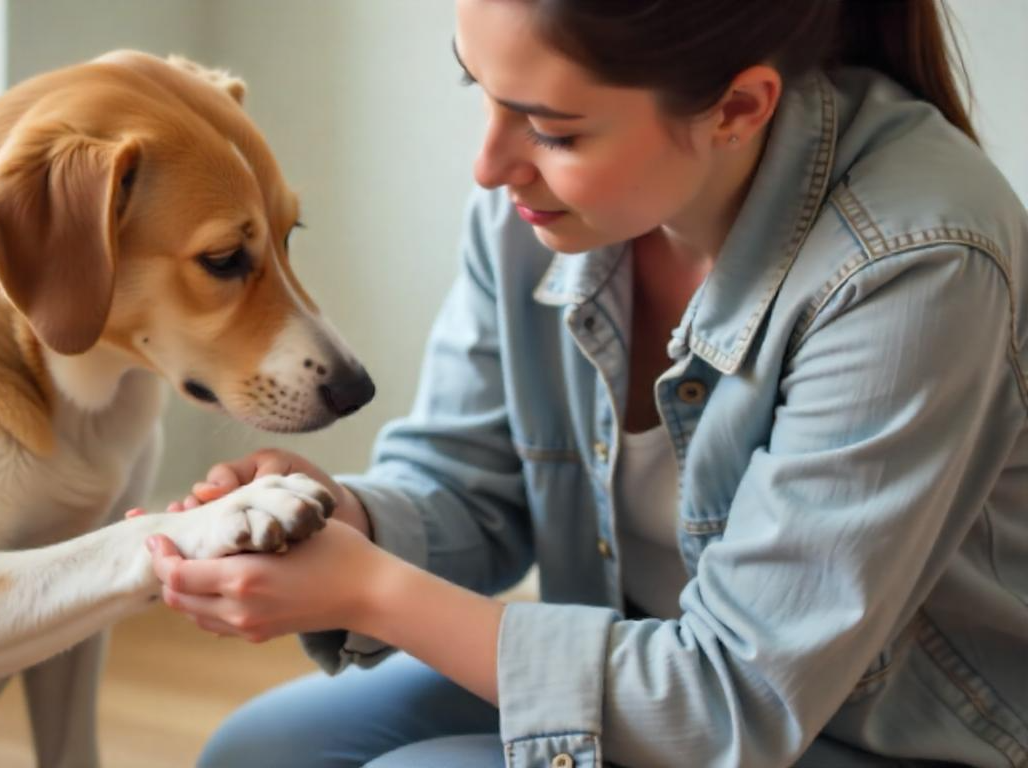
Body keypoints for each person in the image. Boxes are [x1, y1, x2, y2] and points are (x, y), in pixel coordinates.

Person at [141, 0, 1028, 765]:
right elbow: (469, 485)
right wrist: (339, 519)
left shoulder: (915, 263)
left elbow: (735, 701)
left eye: (553, 130)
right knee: (258, 752)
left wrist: (368, 588)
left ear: (738, 107)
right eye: (478, 90)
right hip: (652, 665)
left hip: (871, 735)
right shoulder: (537, 210)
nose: (489, 166)